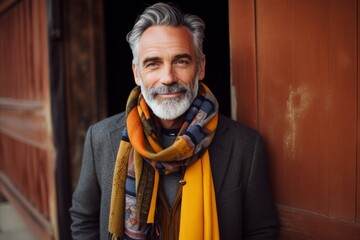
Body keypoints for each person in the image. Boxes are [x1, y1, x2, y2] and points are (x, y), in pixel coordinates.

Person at [69, 2, 279, 240]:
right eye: (153, 63)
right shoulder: (101, 139)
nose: (168, 78)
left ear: (200, 67)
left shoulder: (244, 146)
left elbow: (261, 232)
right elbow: (83, 220)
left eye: (181, 61)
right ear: (137, 73)